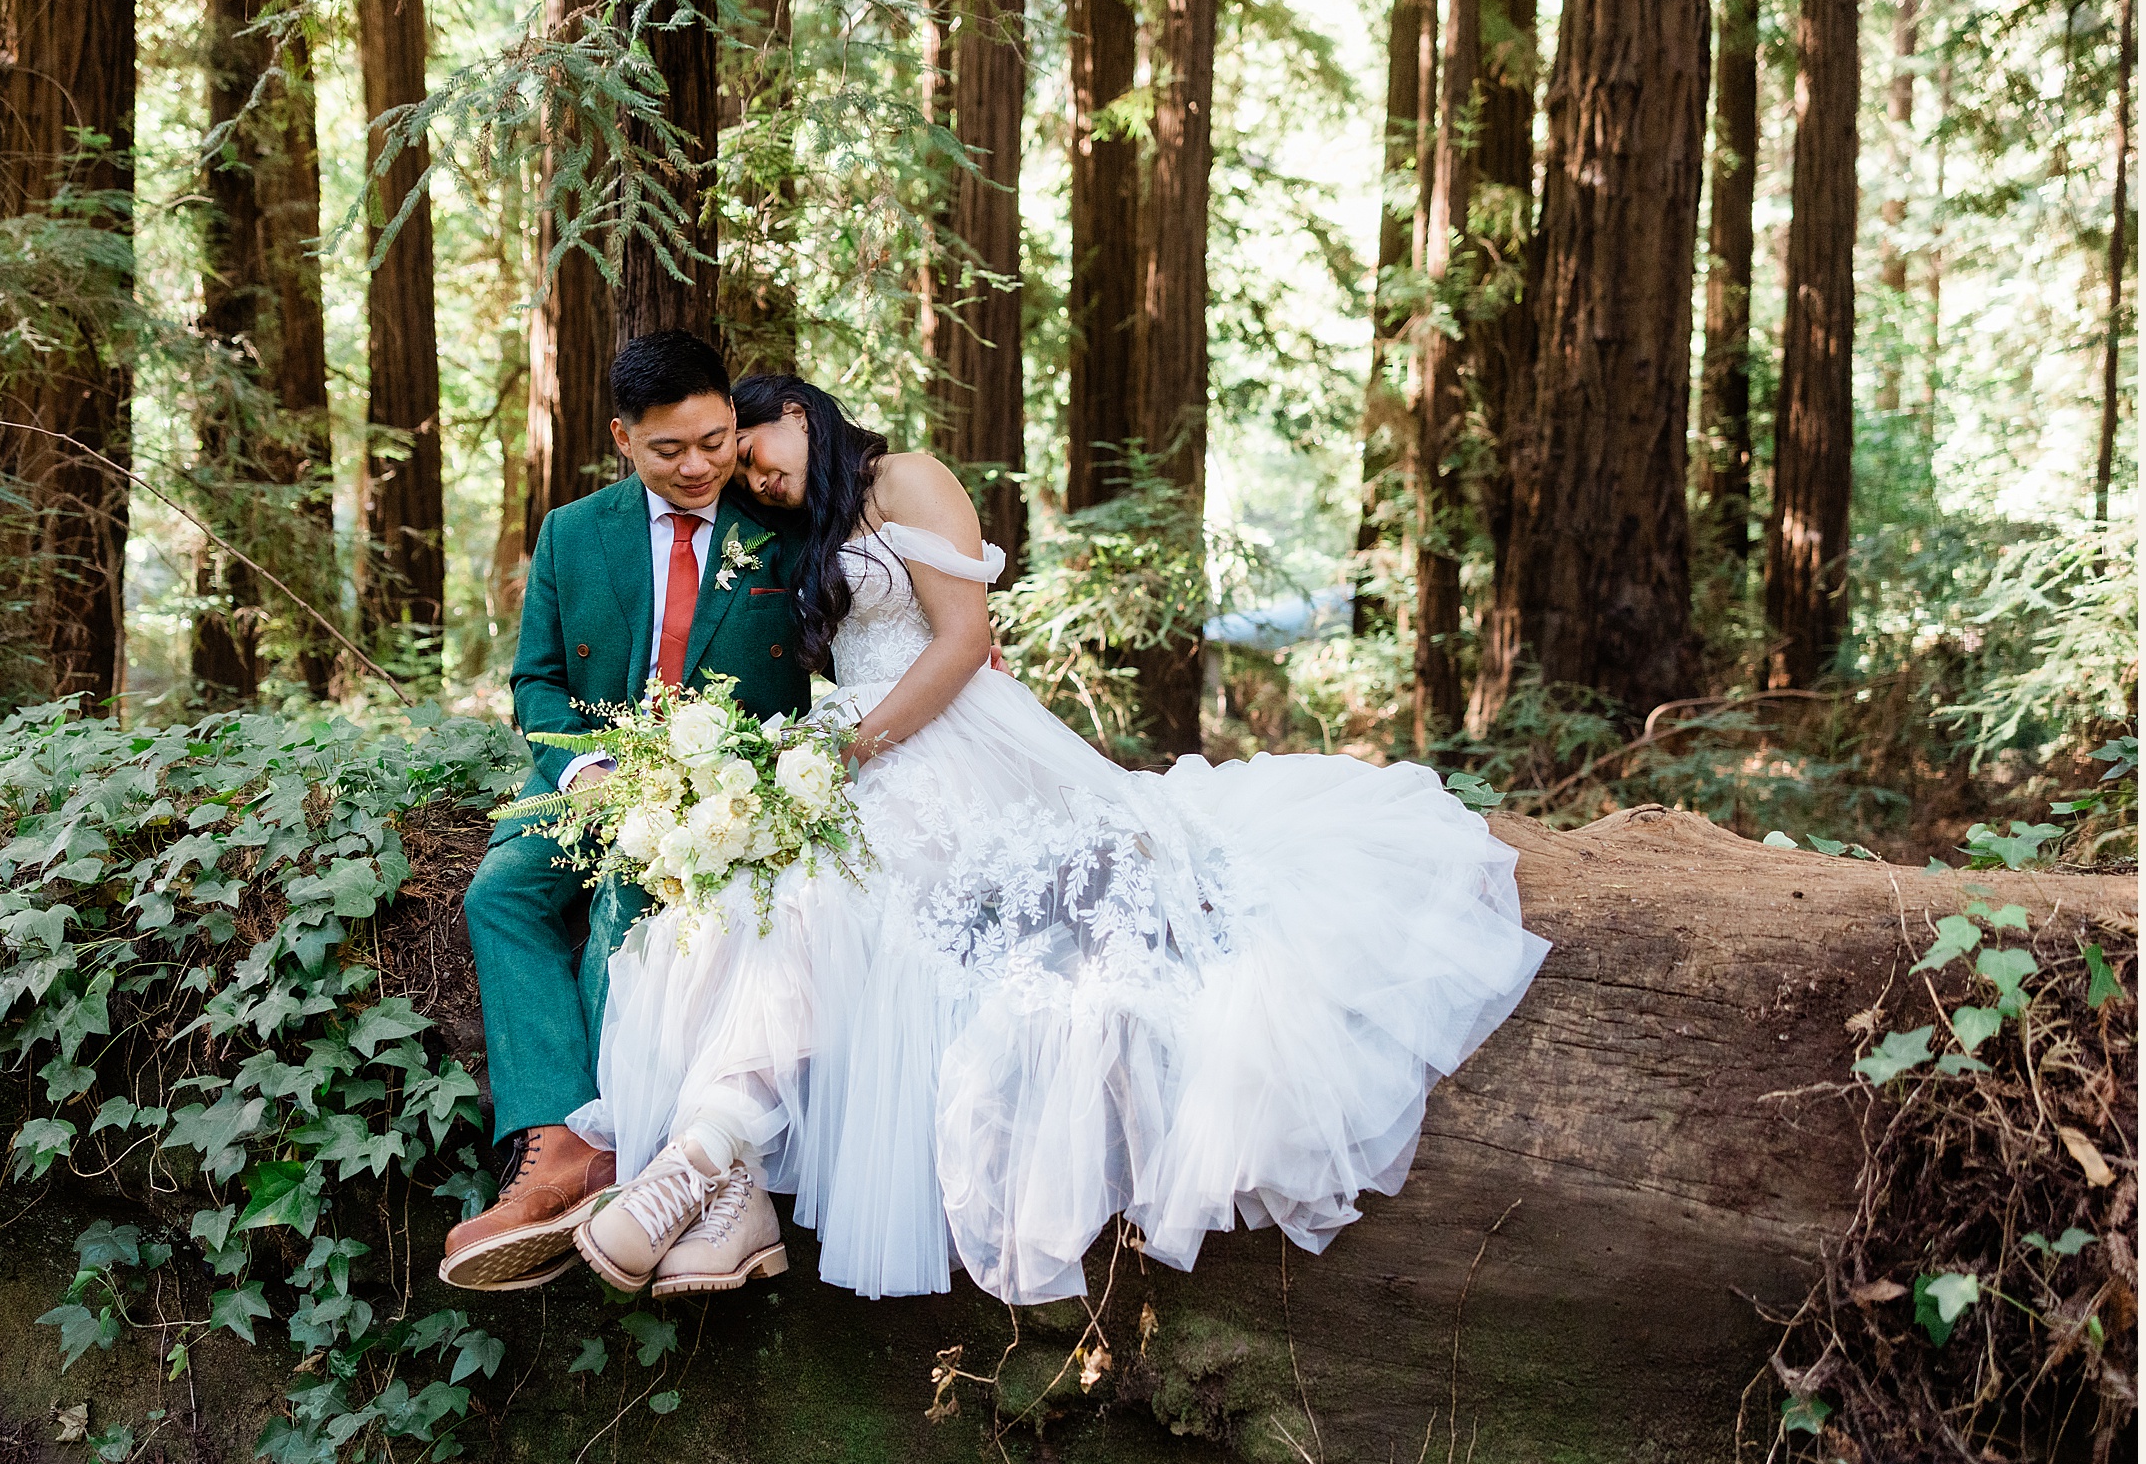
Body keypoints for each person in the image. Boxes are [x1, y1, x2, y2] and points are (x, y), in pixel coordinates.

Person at [571, 375, 1552, 1304]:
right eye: (738, 476)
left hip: (945, 740)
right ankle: (726, 1172)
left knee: (833, 895)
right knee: (752, 900)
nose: (753, 478)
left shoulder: (904, 475)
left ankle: (702, 1160)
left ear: (794, 410)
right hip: (864, 752)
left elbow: (960, 639)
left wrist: (853, 750)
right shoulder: (809, 527)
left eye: (750, 452)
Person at [438, 333, 811, 1291]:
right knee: (501, 895)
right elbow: (538, 683)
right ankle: (558, 1140)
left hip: (723, 798)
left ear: (734, 422)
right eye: (667, 451)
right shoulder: (572, 532)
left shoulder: (784, 528)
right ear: (621, 439)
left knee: (624, 904)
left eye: (715, 441)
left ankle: (621, 1149)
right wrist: (586, 771)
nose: (697, 467)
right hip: (594, 780)